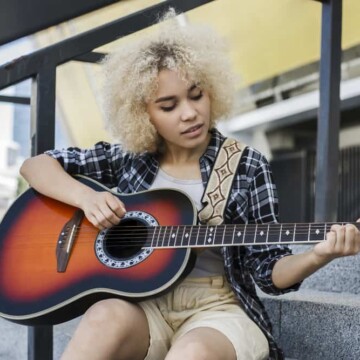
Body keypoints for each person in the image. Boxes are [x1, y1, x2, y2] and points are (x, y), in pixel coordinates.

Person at [20, 9, 360, 360]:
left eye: (196, 95)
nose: (189, 113)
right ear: (143, 113)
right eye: (169, 106)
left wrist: (320, 254)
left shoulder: (245, 165)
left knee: (192, 353)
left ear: (212, 90)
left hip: (217, 310)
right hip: (144, 306)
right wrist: (86, 198)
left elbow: (270, 272)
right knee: (102, 318)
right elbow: (36, 166)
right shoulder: (127, 159)